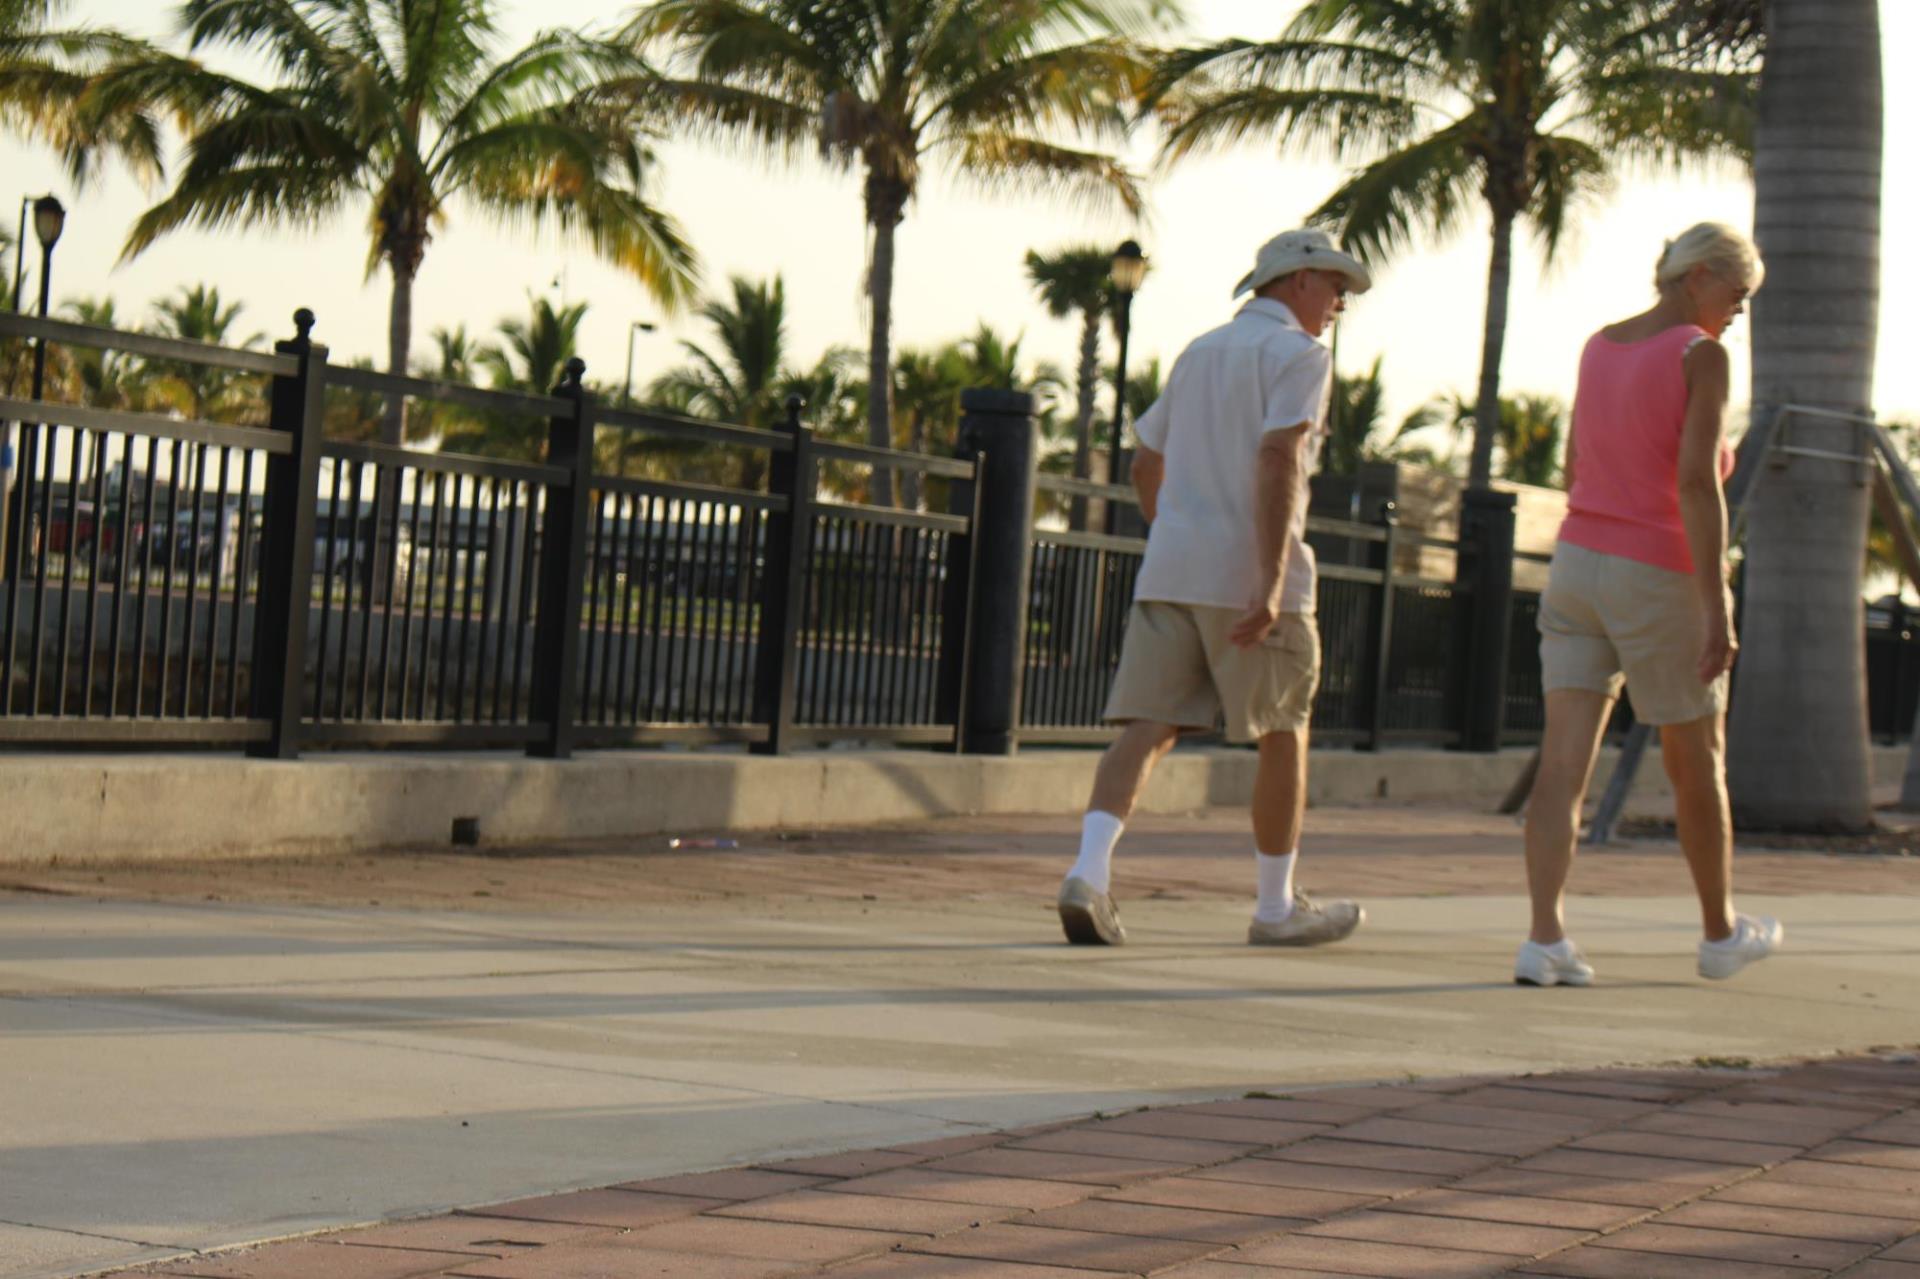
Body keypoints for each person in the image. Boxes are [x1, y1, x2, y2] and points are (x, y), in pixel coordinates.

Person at [1057, 228, 1369, 948]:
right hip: (1253, 577)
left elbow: (1145, 463)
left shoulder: (1198, 351)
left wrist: (1175, 533)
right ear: (1295, 282)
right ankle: (1274, 905)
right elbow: (1279, 457)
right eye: (1335, 286)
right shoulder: (1301, 355)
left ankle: (1088, 873)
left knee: (1145, 727)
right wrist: (1266, 578)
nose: (1340, 303)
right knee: (1283, 733)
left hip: (1170, 570)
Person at [1519, 222, 1781, 986]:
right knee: (1696, 759)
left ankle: (1544, 939)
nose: (1740, 310)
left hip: (1576, 565)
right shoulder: (1702, 356)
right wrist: (1717, 604)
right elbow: (1697, 483)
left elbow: (1573, 464)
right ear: (1698, 276)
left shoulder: (1600, 345)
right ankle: (1719, 933)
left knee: (1562, 762)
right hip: (1656, 571)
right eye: (1738, 293)